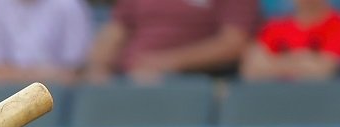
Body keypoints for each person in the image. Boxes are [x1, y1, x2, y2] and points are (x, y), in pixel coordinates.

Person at [83, 0, 259, 82]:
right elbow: (116, 30)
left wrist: (168, 63)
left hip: (192, 83)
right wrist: (98, 66)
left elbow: (234, 42)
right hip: (128, 79)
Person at [0, 0, 95, 86]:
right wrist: (42, 75)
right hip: (5, 97)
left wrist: (18, 75)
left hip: (58, 98)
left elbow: (74, 71)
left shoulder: (69, 5)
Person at [239, 0, 340, 81]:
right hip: (275, 99)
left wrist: (274, 63)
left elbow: (325, 70)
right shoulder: (274, 26)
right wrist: (304, 60)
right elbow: (250, 69)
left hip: (322, 101)